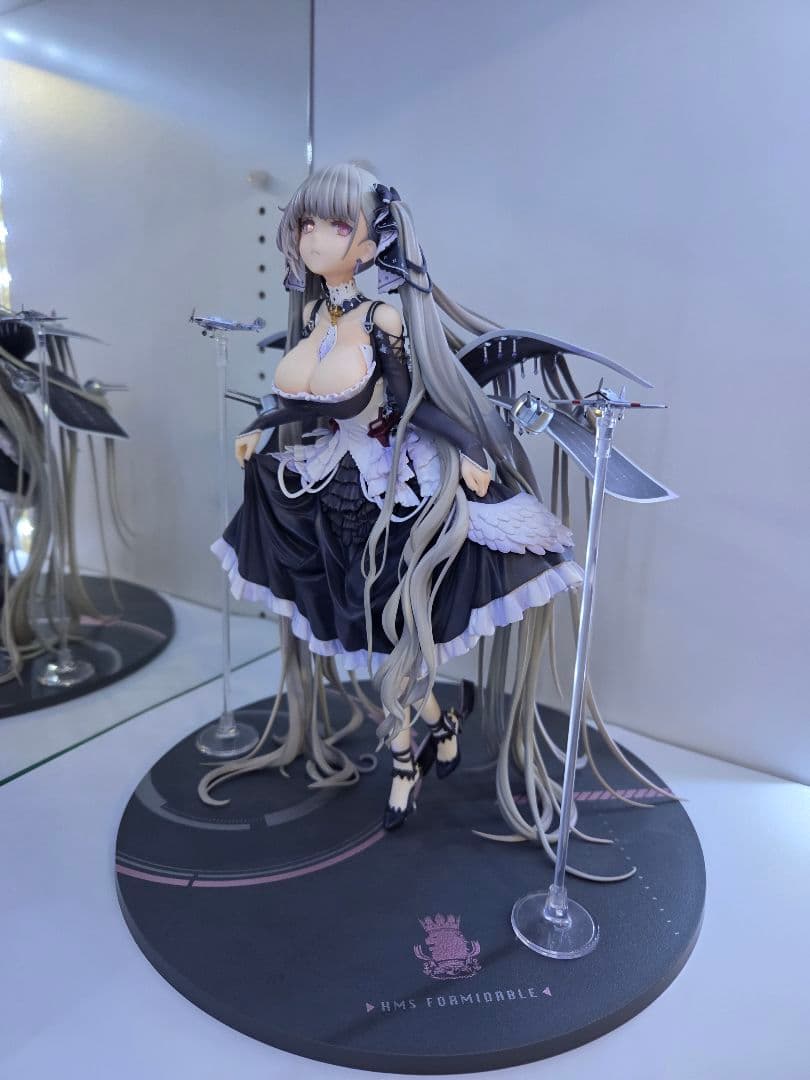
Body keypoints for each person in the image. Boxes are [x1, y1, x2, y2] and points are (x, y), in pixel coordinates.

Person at [202, 162, 585, 838]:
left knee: (396, 644)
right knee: (370, 641)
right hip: (331, 483)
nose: (314, 238)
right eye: (307, 223)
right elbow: (304, 402)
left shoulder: (383, 318)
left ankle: (404, 764)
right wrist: (260, 427)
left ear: (371, 241)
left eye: (336, 225)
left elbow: (413, 404)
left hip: (393, 490)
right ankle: (444, 723)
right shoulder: (317, 313)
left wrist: (470, 450)